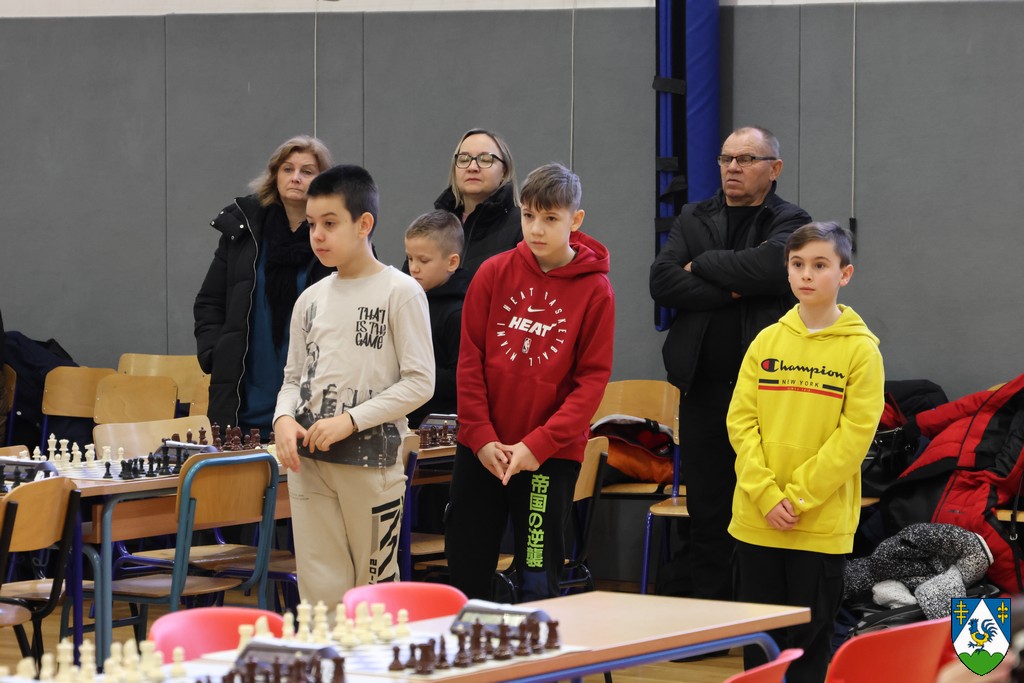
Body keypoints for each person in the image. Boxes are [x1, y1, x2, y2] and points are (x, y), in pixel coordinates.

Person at [648, 126, 811, 601]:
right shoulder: (693, 216)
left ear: (774, 169)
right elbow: (662, 281)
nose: (733, 168)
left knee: (764, 503)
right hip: (702, 387)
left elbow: (772, 269)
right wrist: (736, 287)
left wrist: (701, 266)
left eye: (746, 159)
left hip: (767, 393)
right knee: (708, 507)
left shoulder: (791, 220)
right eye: (726, 159)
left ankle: (760, 613)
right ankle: (711, 616)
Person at [445, 163, 615, 601]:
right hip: (482, 450)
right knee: (466, 569)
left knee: (537, 576)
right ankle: (469, 646)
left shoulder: (596, 290)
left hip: (547, 456)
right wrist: (481, 436)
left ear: (575, 220)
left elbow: (591, 382)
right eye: (528, 215)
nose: (536, 229)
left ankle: (536, 648)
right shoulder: (492, 273)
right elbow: (470, 361)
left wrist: (537, 445)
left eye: (551, 218)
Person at [727, 222, 884, 682]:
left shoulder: (861, 351)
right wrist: (765, 493)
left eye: (819, 265)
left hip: (817, 525)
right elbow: (740, 422)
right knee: (760, 641)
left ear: (845, 274)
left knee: (809, 643)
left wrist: (796, 498)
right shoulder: (766, 341)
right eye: (797, 264)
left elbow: (854, 438)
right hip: (757, 519)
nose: (807, 275)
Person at [272, 164, 434, 604]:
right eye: (312, 225)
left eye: (330, 223)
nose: (318, 236)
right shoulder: (310, 299)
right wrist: (283, 418)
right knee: (319, 589)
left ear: (364, 224)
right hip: (309, 464)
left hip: (372, 462)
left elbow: (420, 382)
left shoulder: (401, 291)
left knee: (375, 593)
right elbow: (292, 379)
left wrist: (350, 420)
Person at [194, 135, 334, 439]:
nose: (295, 177)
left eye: (307, 171)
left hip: (311, 396)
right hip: (243, 394)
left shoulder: (338, 237)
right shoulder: (243, 230)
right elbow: (209, 301)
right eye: (288, 169)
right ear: (275, 174)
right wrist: (216, 354)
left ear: (323, 181)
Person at [403, 210, 469, 428]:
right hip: (404, 416)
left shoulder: (458, 314)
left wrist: (411, 372)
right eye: (410, 258)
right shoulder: (407, 299)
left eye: (424, 260)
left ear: (452, 262)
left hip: (439, 426)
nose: (414, 268)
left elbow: (460, 379)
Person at [432, 128, 521, 278]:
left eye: (485, 159)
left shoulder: (523, 226)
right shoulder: (434, 227)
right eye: (464, 159)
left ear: (504, 171)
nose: (472, 167)